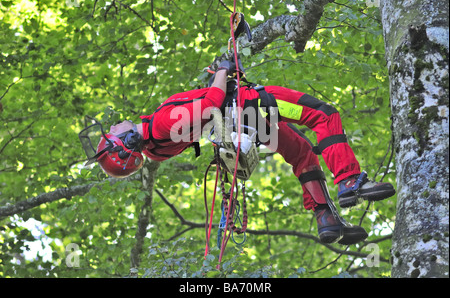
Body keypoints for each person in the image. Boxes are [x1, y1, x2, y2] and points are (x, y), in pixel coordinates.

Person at [81, 60, 395, 245]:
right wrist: (222, 71)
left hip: (243, 120)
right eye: (113, 134)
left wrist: (220, 78)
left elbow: (201, 115)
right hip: (247, 108)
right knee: (323, 115)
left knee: (302, 154)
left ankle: (326, 218)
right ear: (125, 142)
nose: (114, 126)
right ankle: (349, 179)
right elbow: (211, 104)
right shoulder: (161, 124)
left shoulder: (157, 147)